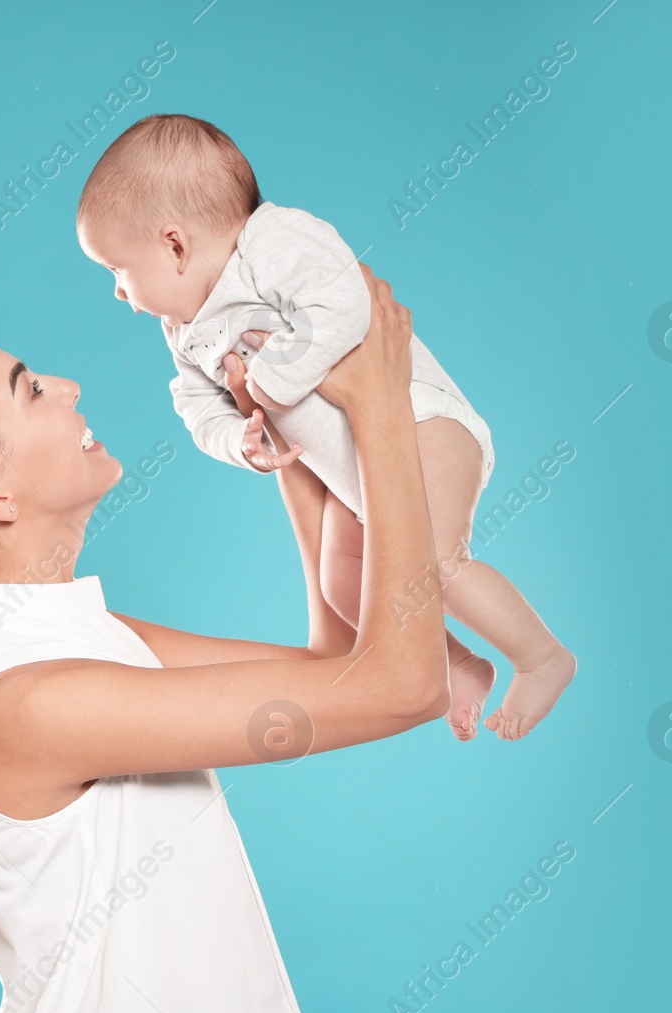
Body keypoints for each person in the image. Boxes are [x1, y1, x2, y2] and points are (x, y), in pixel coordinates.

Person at [0, 267, 447, 1013]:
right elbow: (404, 685)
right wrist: (380, 408)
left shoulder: (71, 639)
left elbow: (341, 671)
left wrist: (289, 448)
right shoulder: (26, 698)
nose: (69, 385)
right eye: (30, 391)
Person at [75, 113, 576, 742]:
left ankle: (541, 656)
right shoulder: (185, 328)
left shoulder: (275, 242)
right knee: (343, 585)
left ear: (174, 245)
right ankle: (456, 663)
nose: (119, 294)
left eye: (117, 271)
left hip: (422, 421)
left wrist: (269, 384)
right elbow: (196, 404)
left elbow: (343, 306)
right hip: (354, 470)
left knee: (435, 562)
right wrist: (239, 440)